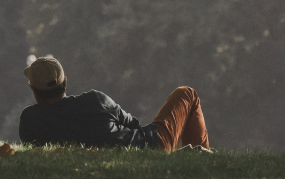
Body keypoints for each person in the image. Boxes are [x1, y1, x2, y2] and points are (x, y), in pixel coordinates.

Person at [18, 56, 210, 152]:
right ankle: (205, 160)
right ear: (65, 82)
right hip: (149, 146)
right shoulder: (96, 100)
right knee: (187, 94)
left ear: (34, 91)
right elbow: (133, 125)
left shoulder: (29, 120)